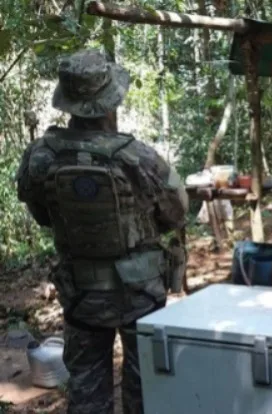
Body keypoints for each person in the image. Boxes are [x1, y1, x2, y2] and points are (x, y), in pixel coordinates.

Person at [15, 49, 188, 414]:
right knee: (147, 386)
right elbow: (177, 214)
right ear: (111, 100)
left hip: (81, 294)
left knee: (86, 388)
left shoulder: (41, 156)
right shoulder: (138, 157)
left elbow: (42, 215)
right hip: (140, 292)